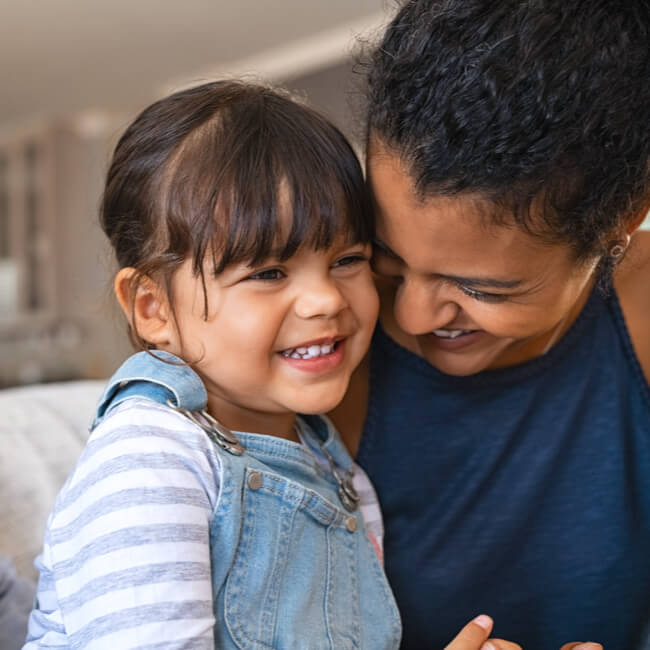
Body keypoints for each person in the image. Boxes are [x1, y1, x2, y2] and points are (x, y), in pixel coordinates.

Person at [22, 80, 522, 650]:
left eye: (349, 259)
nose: (326, 300)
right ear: (153, 308)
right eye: (268, 273)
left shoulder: (334, 468)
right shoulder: (151, 462)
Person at [331, 1, 650, 649]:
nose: (412, 315)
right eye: (384, 255)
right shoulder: (320, 354)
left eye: (480, 288)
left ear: (622, 222)